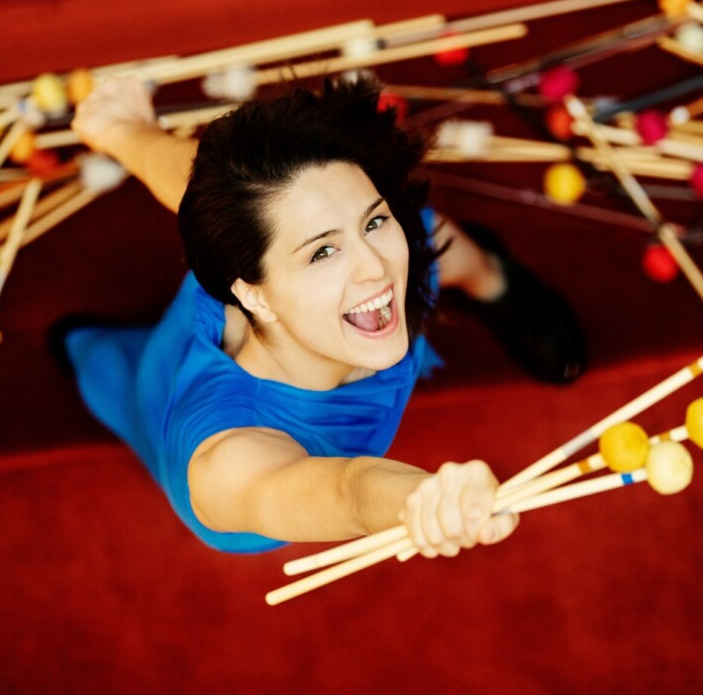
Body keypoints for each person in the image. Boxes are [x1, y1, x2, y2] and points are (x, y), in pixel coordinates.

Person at [54, 74, 586, 557]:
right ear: (253, 292)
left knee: (428, 237)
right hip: (186, 381)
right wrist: (421, 500)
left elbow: (189, 181)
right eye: (322, 252)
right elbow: (348, 489)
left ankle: (493, 280)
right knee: (102, 367)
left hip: (315, 312)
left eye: (374, 221)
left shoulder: (264, 228)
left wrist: (123, 131)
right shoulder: (226, 462)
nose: (375, 268)